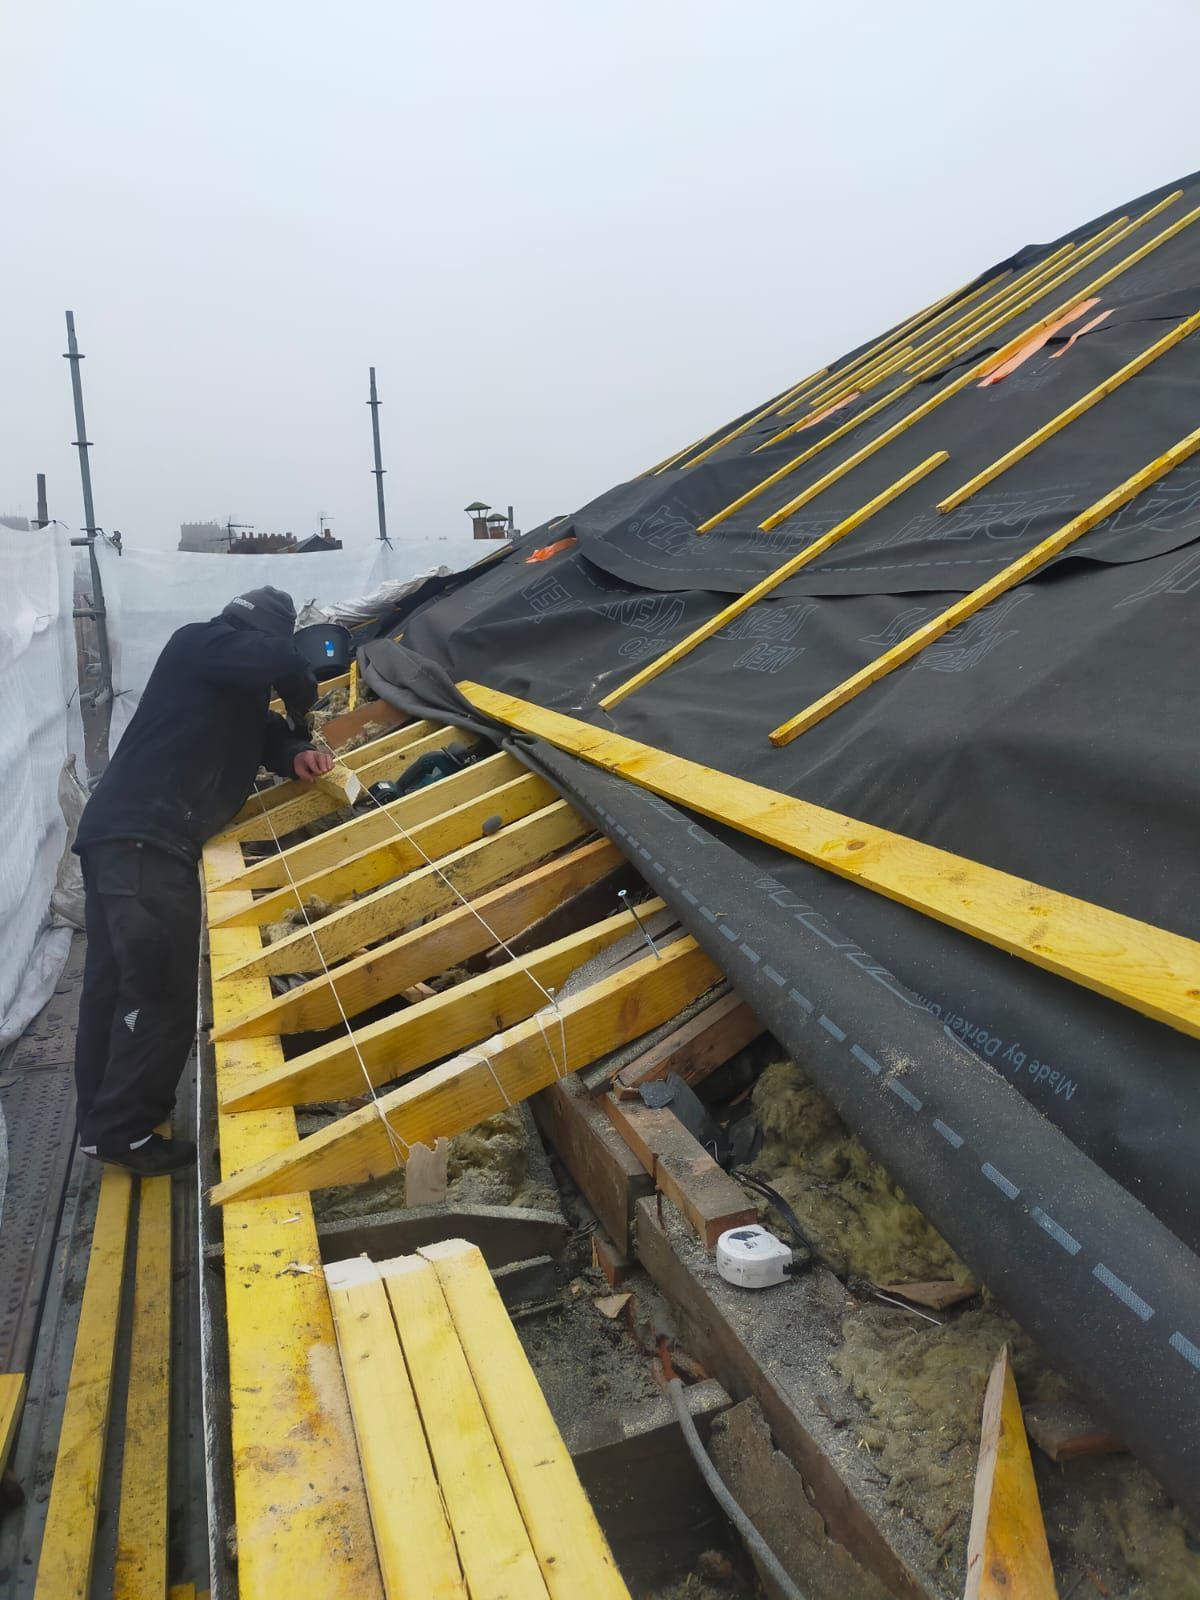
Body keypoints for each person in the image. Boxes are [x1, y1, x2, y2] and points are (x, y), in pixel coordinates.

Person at [73, 586, 334, 1175]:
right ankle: (126, 1133)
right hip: (147, 841)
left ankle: (105, 1122)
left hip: (124, 838)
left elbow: (264, 733)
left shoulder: (222, 684)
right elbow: (283, 664)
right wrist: (301, 693)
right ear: (260, 635)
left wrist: (297, 750)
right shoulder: (199, 642)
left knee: (114, 986)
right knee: (159, 986)